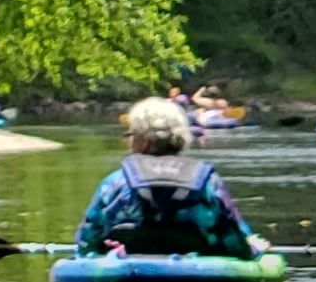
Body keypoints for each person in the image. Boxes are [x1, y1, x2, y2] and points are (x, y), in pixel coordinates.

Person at [78, 98, 265, 259]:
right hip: (197, 279)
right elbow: (235, 240)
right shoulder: (207, 182)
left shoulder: (115, 183)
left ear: (138, 139)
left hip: (129, 275)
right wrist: (255, 249)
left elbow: (88, 239)